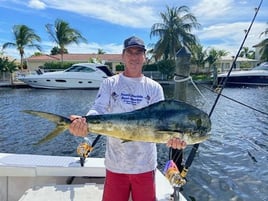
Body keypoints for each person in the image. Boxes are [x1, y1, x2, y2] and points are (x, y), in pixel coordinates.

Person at [69, 36, 186, 201]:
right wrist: (84, 123)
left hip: (145, 165)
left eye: (139, 52)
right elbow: (98, 109)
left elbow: (161, 124)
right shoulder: (110, 83)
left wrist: (174, 139)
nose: (134, 57)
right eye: (130, 52)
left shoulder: (154, 88)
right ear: (123, 56)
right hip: (116, 165)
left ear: (145, 57)